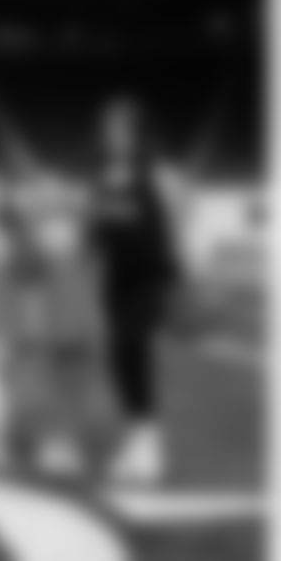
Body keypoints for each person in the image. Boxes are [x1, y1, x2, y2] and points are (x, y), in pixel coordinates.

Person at [87, 96, 183, 485]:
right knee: (118, 360)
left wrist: (176, 278)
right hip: (116, 281)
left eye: (121, 129)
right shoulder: (101, 177)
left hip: (149, 278)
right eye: (108, 129)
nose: (113, 136)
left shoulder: (155, 174)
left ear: (137, 134)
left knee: (134, 350)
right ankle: (136, 438)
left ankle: (150, 447)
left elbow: (163, 229)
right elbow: (95, 235)